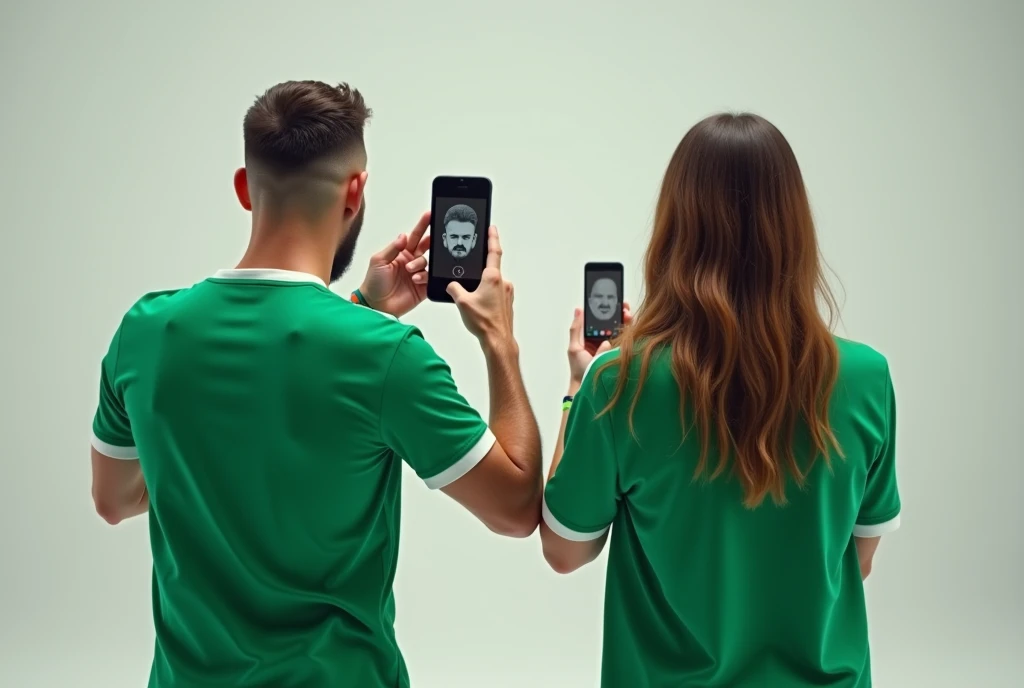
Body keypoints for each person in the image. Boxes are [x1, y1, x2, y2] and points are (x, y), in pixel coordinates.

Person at [88, 80, 542, 688]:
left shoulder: (143, 333)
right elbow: (515, 508)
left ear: (245, 189)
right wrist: (498, 341)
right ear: (355, 191)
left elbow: (115, 500)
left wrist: (362, 308)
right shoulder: (386, 357)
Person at [539, 113, 901, 687]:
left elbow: (565, 551)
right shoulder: (866, 377)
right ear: (794, 226)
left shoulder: (618, 382)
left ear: (676, 227)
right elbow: (856, 559)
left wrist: (577, 392)